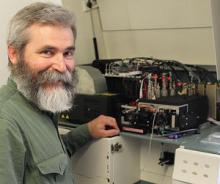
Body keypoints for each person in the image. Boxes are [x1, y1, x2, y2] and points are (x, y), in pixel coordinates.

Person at [0, 2, 120, 184]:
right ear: (14, 54)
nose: (62, 66)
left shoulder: (39, 103)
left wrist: (87, 131)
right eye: (47, 52)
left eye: (67, 53)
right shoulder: (5, 122)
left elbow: (48, 159)